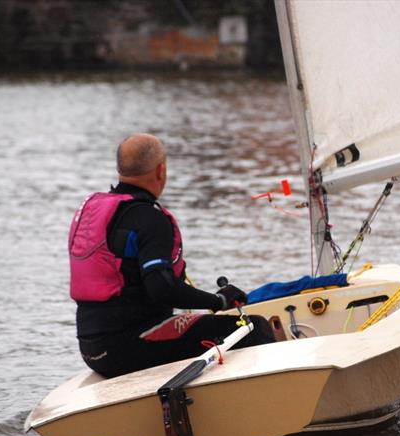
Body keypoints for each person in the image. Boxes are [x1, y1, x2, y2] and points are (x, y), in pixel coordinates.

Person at [70, 133, 275, 378]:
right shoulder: (149, 218)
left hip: (92, 350)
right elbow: (162, 288)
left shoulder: (96, 211)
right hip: (130, 345)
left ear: (120, 170)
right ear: (161, 171)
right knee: (254, 327)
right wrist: (218, 301)